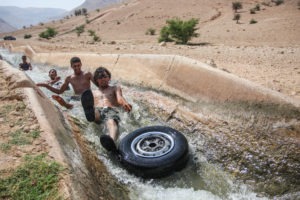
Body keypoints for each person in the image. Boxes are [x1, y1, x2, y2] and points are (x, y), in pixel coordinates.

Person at [81, 66, 132, 153]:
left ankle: (111, 141)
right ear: (96, 80)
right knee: (95, 112)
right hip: (98, 110)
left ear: (109, 77)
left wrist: (125, 103)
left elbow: (120, 98)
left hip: (110, 110)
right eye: (100, 77)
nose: (103, 79)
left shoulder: (114, 88)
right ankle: (91, 114)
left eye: (105, 76)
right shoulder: (93, 92)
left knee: (111, 121)